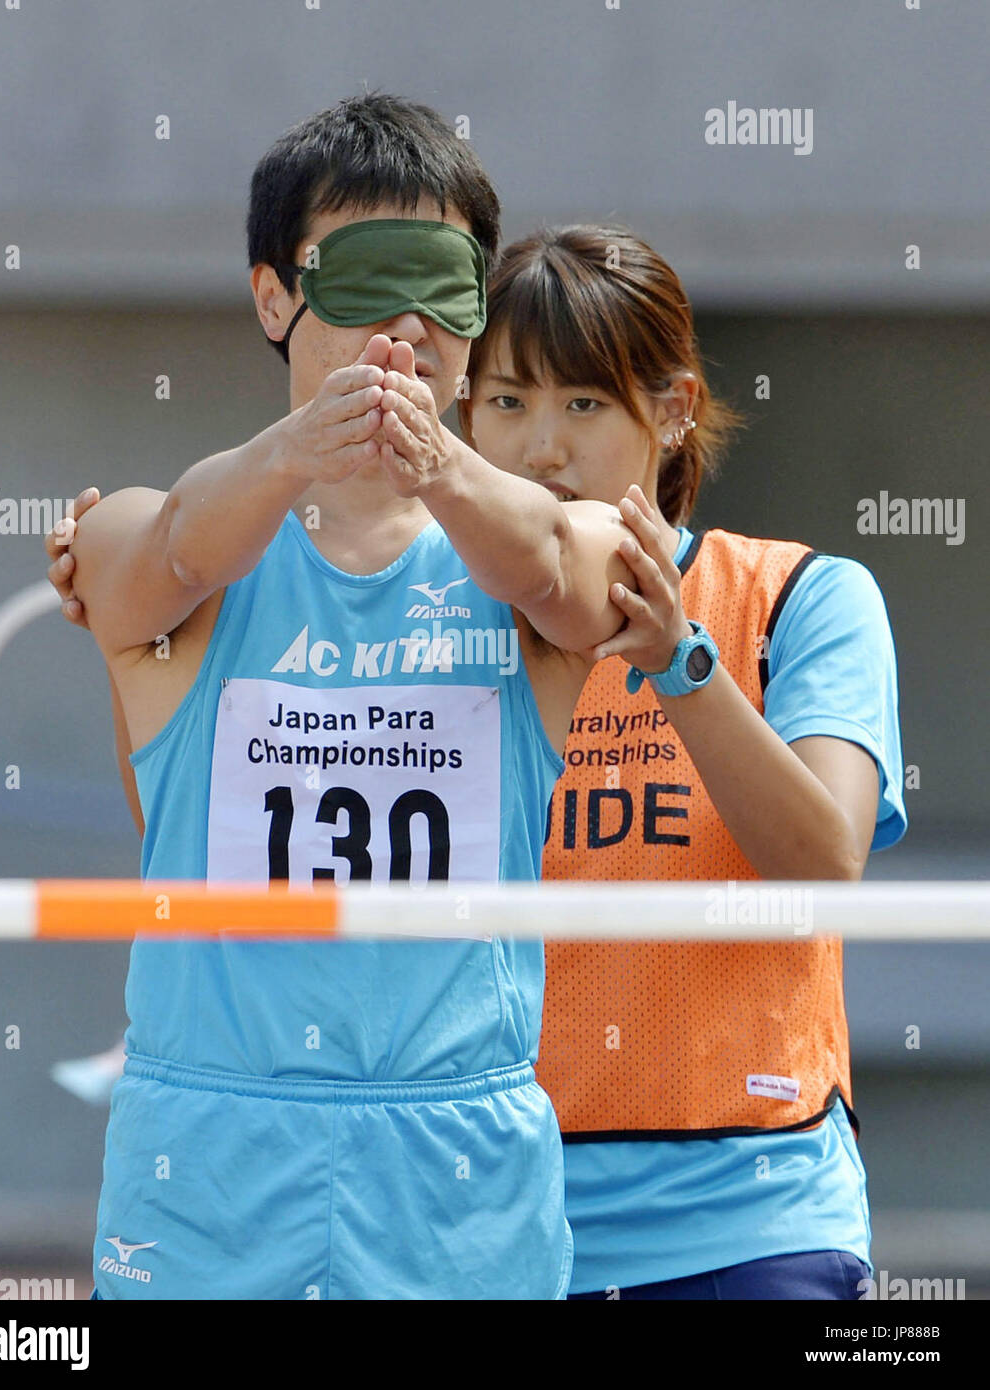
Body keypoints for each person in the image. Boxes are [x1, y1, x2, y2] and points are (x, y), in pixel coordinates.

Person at [46, 94, 651, 1300]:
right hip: (212, 1143)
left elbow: (568, 577)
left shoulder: (543, 556)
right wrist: (293, 455)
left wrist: (441, 465)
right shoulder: (160, 548)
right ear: (275, 297)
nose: (407, 329)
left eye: (443, 288)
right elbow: (150, 555)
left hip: (454, 1147)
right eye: (367, 280)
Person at [457, 225, 907, 1300]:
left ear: (671, 411)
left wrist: (680, 665)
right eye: (505, 402)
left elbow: (821, 865)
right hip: (480, 1223)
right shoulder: (432, 616)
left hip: (750, 1229)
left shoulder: (800, 597)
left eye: (582, 403)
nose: (539, 450)